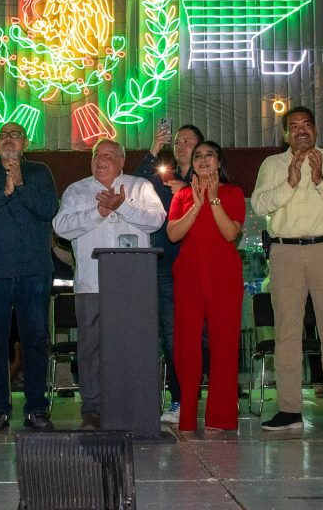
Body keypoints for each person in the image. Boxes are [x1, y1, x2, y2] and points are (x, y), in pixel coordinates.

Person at [252, 106, 323, 432]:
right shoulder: (272, 165)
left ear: (315, 130)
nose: (301, 131)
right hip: (285, 252)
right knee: (286, 333)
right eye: (294, 126)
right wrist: (289, 183)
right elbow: (259, 205)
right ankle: (290, 410)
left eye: (306, 125)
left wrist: (320, 180)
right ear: (285, 134)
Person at [53, 138, 165, 429]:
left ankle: (133, 405)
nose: (100, 159)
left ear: (122, 161)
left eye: (108, 155)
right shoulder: (77, 190)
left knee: (133, 347)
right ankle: (92, 409)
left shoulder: (140, 187)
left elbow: (156, 220)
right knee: (91, 350)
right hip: (91, 283)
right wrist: (99, 212)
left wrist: (122, 206)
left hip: (133, 286)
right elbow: (61, 227)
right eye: (96, 155)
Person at [0, 122, 59, 433]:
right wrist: (4, 191)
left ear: (26, 143)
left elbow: (48, 209)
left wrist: (21, 185)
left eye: (14, 134)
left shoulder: (41, 171)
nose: (8, 139)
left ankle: (36, 408)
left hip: (33, 271)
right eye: (3, 135)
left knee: (36, 340)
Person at [166, 141, 245, 431]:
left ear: (219, 162)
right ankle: (186, 415)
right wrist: (196, 206)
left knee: (224, 344)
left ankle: (221, 417)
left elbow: (230, 233)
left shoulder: (233, 192)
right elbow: (173, 234)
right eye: (197, 156)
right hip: (189, 274)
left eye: (209, 155)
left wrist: (213, 199)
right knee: (186, 345)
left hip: (224, 274)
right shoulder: (183, 195)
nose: (202, 160)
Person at [134, 122, 204, 424]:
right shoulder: (164, 176)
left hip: (201, 265)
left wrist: (189, 191)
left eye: (188, 141)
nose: (181, 145)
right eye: (177, 141)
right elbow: (135, 183)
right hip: (166, 265)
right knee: (172, 335)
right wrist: (154, 148)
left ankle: (213, 393)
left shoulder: (208, 176)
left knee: (203, 335)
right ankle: (179, 399)